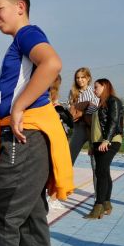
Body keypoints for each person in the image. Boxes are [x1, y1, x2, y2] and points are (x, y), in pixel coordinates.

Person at [0, 0, 73, 246]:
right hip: (29, 136)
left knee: (4, 213)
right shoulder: (19, 42)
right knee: (30, 215)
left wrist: (19, 106)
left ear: (20, 7)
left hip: (24, 134)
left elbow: (52, 63)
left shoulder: (27, 35)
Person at [84, 79, 123, 219]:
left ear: (105, 86)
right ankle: (106, 203)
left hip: (110, 141)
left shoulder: (114, 101)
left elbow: (113, 121)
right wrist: (91, 145)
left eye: (96, 87)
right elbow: (95, 127)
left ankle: (98, 206)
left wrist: (107, 140)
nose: (94, 90)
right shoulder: (100, 104)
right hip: (98, 143)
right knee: (104, 171)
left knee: (100, 171)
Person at [48, 75, 73, 210]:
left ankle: (52, 197)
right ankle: (52, 198)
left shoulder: (51, 95)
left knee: (53, 167)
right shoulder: (48, 94)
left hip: (53, 132)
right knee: (57, 166)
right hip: (53, 133)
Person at [68, 67, 100, 163]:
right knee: (69, 157)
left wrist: (82, 111)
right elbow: (71, 111)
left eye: (83, 77)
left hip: (93, 128)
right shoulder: (72, 92)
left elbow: (95, 109)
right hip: (79, 127)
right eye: (77, 78)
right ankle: (65, 177)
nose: (80, 80)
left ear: (88, 78)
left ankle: (97, 178)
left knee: (95, 161)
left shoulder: (93, 92)